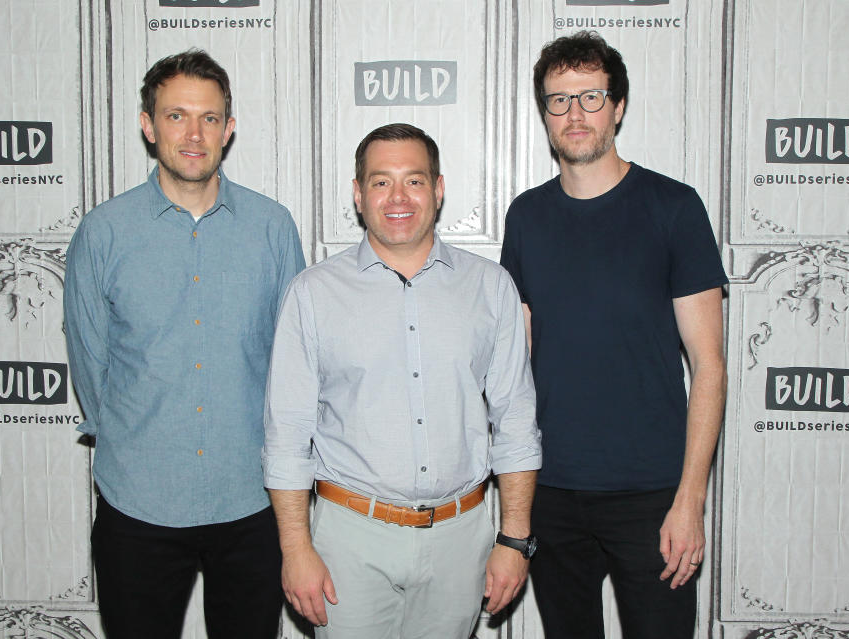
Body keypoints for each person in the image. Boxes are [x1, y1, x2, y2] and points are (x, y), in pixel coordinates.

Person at [263, 123, 542, 639]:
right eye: (380, 181)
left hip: (462, 539)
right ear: (357, 193)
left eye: (413, 181)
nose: (397, 198)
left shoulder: (491, 287)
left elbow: (516, 422)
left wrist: (515, 538)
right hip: (349, 538)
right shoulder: (312, 294)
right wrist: (296, 548)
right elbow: (287, 433)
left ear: (438, 190)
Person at [64, 49, 305, 639]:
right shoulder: (103, 232)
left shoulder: (272, 228)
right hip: (138, 502)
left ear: (229, 126)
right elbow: (92, 364)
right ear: (148, 125)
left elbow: (294, 364)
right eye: (176, 116)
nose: (194, 134)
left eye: (209, 117)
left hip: (252, 501)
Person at [500, 31, 727, 639]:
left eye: (591, 97)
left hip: (652, 496)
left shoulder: (673, 208)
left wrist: (690, 499)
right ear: (544, 112)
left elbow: (709, 366)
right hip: (550, 491)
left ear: (618, 107)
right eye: (558, 100)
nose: (574, 115)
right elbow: (515, 363)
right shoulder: (526, 216)